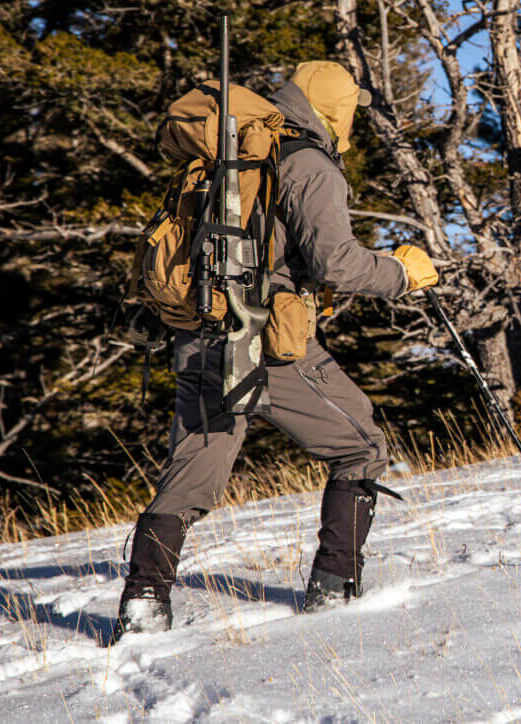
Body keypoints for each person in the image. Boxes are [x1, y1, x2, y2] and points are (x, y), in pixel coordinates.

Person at [116, 61, 438, 636]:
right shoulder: (307, 162)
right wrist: (401, 274)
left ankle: (144, 602)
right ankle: (335, 588)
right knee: (360, 444)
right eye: (349, 108)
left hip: (199, 335)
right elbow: (336, 262)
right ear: (331, 106)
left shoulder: (227, 153)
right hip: (265, 340)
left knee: (191, 475)